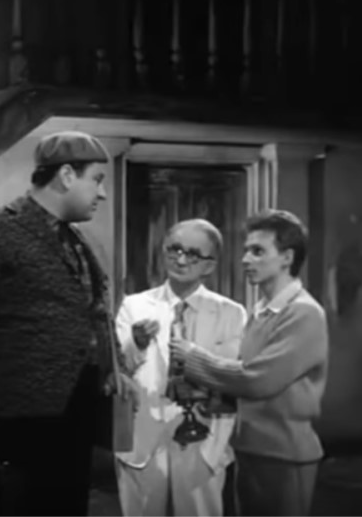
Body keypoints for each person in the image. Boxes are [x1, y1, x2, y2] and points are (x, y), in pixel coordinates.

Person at [0, 131, 139, 516]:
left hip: (76, 411)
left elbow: (94, 311)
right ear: (66, 175)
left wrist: (113, 366)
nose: (102, 193)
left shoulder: (78, 240)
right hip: (21, 418)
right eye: (96, 180)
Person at [170, 209, 329, 516]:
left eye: (258, 251)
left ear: (287, 258)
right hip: (251, 448)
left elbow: (258, 379)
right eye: (246, 251)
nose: (245, 260)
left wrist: (194, 359)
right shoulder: (261, 311)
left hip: (284, 454)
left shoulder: (303, 313)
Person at [115, 219, 247, 516]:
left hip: (204, 439)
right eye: (174, 249)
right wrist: (137, 343)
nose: (181, 260)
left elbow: (231, 376)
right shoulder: (135, 306)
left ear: (210, 265)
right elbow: (118, 371)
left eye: (193, 254)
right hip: (144, 435)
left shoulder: (230, 313)